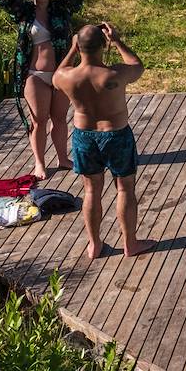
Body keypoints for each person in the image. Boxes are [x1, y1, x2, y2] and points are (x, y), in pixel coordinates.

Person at [54, 22, 151, 260]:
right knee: (125, 188)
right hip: (116, 134)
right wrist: (117, 41)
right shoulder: (114, 74)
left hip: (84, 137)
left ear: (79, 47)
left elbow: (57, 74)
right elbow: (137, 66)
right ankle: (130, 243)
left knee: (91, 190)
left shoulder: (67, 77)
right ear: (103, 45)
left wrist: (71, 50)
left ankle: (94, 244)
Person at [0, 0, 87, 179]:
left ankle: (63, 158)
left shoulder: (60, 7)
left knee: (59, 118)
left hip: (60, 74)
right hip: (35, 75)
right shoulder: (24, 11)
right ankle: (39, 163)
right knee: (39, 120)